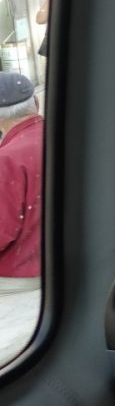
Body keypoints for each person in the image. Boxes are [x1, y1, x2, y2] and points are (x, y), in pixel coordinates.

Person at [0, 74, 43, 289]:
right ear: (36, 101)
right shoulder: (67, 137)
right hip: (64, 265)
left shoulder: (7, 158)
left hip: (20, 278)